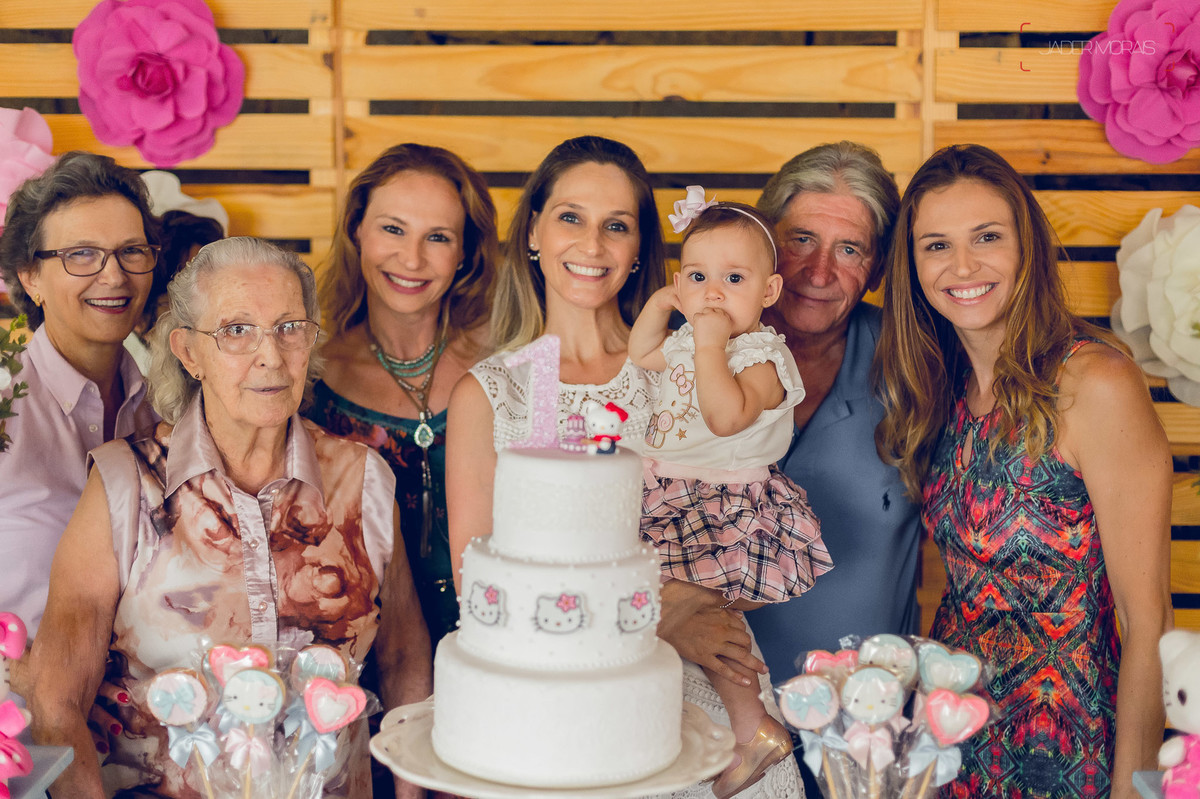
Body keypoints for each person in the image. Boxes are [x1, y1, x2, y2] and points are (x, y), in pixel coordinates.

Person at [447, 135, 802, 799]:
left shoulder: (694, 366)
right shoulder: (494, 393)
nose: (593, 244)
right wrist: (654, 614)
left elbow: (744, 516)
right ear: (533, 232)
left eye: (617, 225)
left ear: (641, 250)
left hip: (711, 691)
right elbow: (482, 591)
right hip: (563, 714)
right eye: (571, 217)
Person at [28, 237, 432, 798]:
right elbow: (56, 698)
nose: (270, 355)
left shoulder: (361, 476)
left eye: (290, 327)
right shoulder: (127, 484)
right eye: (236, 331)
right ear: (189, 352)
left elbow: (405, 655)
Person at [875, 143, 1173, 798]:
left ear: (1025, 246)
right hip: (953, 748)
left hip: (1073, 753)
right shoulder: (940, 387)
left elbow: (1146, 616)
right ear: (913, 264)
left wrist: (1137, 787)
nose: (962, 265)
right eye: (936, 245)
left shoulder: (1095, 382)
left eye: (987, 237)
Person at [630, 198, 831, 798]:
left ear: (769, 290)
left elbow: (725, 415)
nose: (713, 295)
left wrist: (711, 343)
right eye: (698, 278)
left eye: (733, 280)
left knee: (711, 617)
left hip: (725, 507)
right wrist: (661, 307)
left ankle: (752, 728)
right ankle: (740, 730)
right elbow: (642, 356)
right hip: (669, 495)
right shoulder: (690, 339)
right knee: (662, 617)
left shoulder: (765, 357)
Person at [307, 143, 498, 649]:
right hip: (365, 654)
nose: (411, 259)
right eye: (393, 228)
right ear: (357, 230)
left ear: (466, 253)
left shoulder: (505, 368)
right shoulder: (311, 376)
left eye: (438, 237)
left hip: (499, 637)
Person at [744, 142, 919, 677]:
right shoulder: (685, 349)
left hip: (863, 727)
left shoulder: (915, 363)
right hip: (704, 721)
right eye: (801, 240)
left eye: (849, 249)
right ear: (764, 240)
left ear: (879, 265)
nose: (819, 273)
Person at [0, 151, 158, 645]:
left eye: (131, 250)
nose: (113, 276)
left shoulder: (172, 410)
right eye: (81, 255)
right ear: (30, 277)